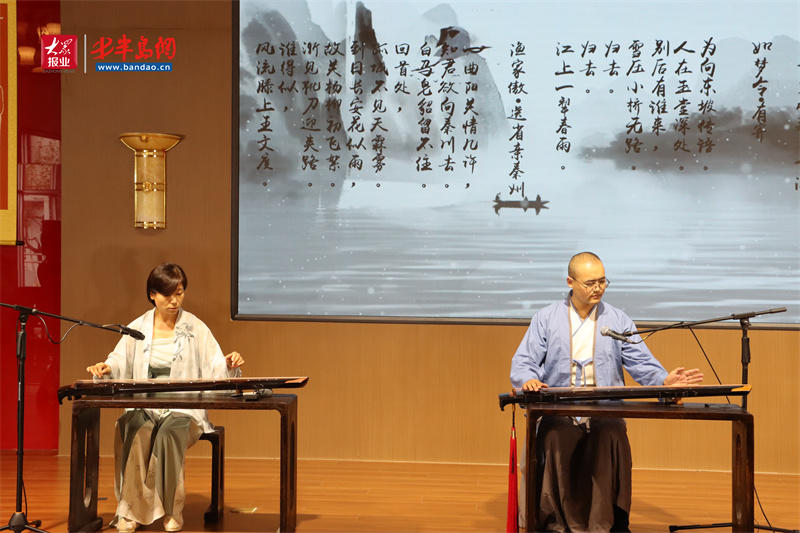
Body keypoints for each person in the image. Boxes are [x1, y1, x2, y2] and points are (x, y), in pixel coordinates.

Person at [509, 252, 703, 532]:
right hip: (559, 408)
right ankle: (555, 524)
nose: (598, 288)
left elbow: (641, 362)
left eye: (602, 281)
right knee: (554, 435)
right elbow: (525, 361)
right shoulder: (546, 318)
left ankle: (604, 524)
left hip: (605, 408)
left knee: (610, 433)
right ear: (570, 282)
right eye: (590, 283)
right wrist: (528, 379)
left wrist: (664, 381)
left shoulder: (617, 319)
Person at [86, 263, 244, 533]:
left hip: (184, 409)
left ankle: (172, 510)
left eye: (179, 294)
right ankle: (132, 512)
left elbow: (215, 365)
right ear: (152, 294)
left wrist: (229, 364)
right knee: (138, 432)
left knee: (169, 434)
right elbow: (119, 360)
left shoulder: (195, 328)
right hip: (145, 406)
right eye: (168, 295)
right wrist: (107, 368)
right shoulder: (138, 327)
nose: (174, 301)